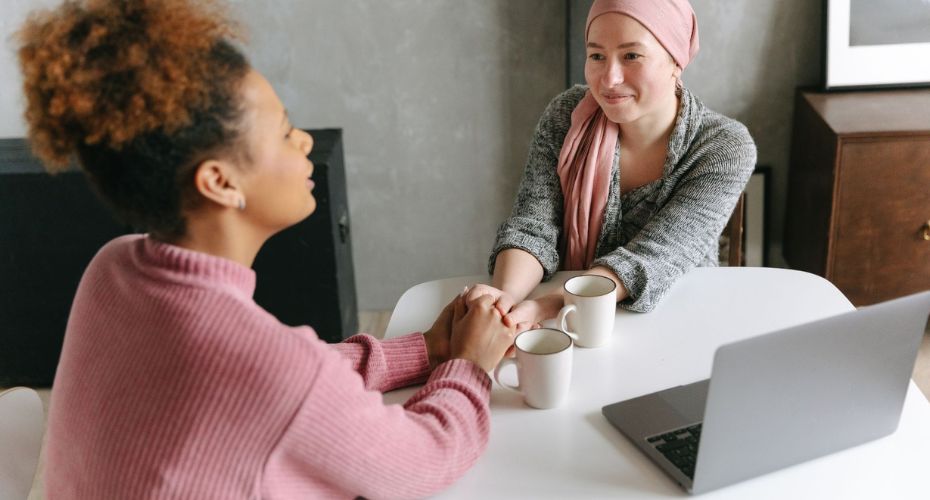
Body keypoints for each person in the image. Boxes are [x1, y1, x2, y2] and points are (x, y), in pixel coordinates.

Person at [17, 0, 514, 497]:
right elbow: (426, 461)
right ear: (219, 182)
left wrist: (427, 349)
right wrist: (470, 365)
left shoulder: (113, 267)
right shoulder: (264, 363)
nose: (301, 142)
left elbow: (291, 381)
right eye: (282, 131)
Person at [472, 0, 757, 326]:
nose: (609, 78)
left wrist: (549, 304)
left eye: (631, 56)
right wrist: (505, 301)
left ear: (676, 59)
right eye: (596, 56)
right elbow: (533, 228)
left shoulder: (723, 147)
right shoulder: (567, 117)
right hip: (572, 329)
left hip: (675, 324)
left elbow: (656, 256)